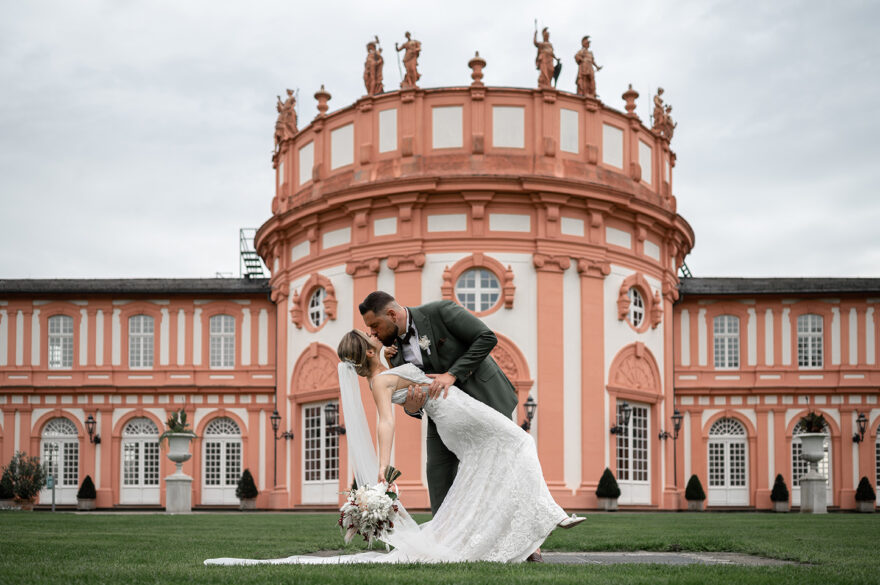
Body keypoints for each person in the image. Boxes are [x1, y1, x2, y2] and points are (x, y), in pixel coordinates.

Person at [359, 292, 517, 515]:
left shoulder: (441, 311)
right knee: (437, 473)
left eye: (375, 325)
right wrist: (412, 407)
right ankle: (443, 534)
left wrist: (452, 374)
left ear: (392, 315)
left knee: (504, 467)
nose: (373, 332)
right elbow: (413, 396)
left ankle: (527, 530)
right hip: (442, 415)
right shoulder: (393, 354)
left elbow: (486, 337)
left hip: (484, 398)